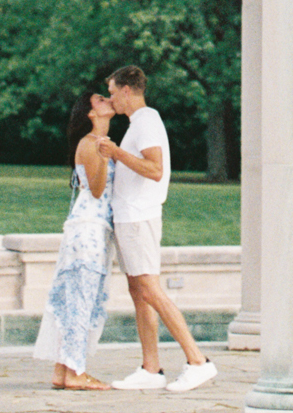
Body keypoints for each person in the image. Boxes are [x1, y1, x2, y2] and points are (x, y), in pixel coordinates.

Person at [99, 65, 215, 393]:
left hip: (139, 218)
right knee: (139, 292)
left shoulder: (147, 121)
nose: (111, 98)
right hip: (129, 218)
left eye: (112, 92)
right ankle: (151, 369)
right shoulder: (139, 124)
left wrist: (116, 153)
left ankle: (198, 361)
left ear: (126, 90)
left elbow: (154, 168)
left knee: (149, 289)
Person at [32, 90, 117, 391]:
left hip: (87, 228)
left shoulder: (93, 143)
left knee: (76, 299)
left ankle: (62, 370)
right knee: (82, 301)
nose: (107, 100)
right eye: (99, 99)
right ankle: (77, 372)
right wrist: (107, 156)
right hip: (89, 230)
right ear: (90, 113)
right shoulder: (93, 144)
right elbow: (96, 189)